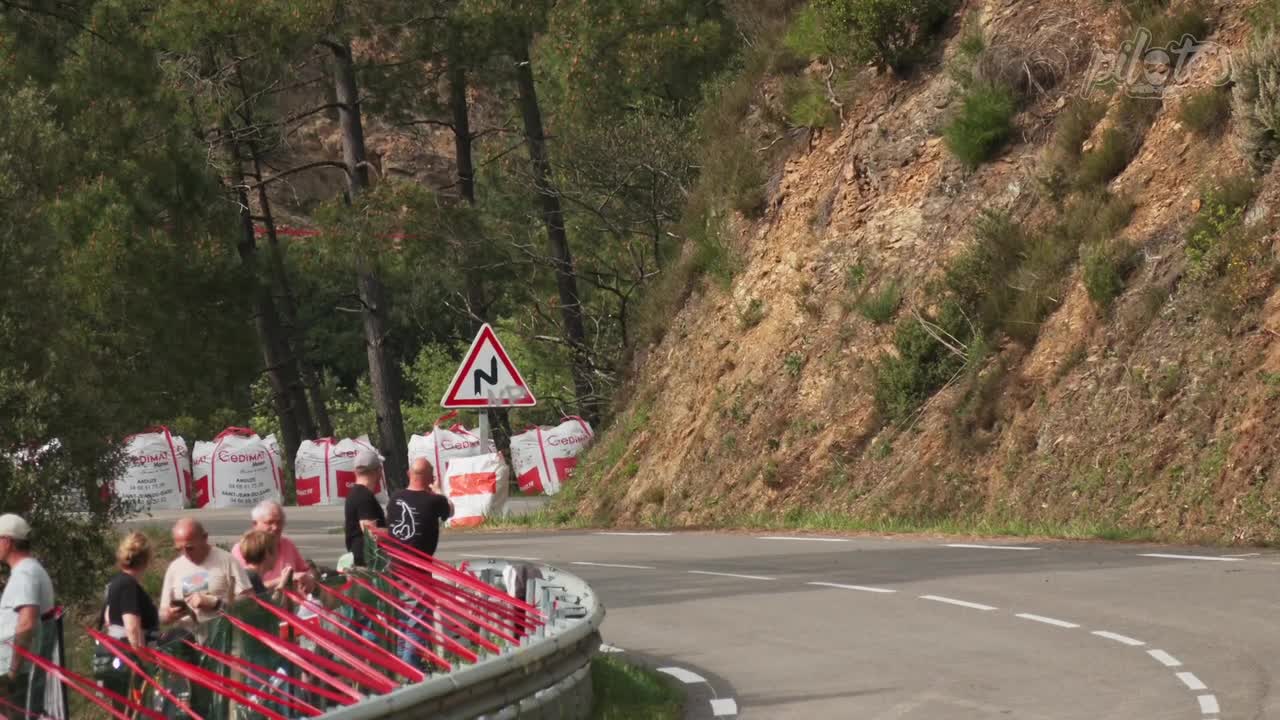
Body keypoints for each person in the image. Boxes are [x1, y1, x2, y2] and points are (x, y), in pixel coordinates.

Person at [385, 458, 453, 670]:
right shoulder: (434, 501)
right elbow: (450, 510)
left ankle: (402, 666)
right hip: (419, 569)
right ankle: (410, 670)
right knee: (418, 621)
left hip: (395, 566)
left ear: (409, 474)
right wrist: (439, 490)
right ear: (430, 477)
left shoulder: (394, 498)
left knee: (403, 620)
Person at [0, 514, 55, 719]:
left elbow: (26, 624)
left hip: (19, 673)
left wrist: (13, 671)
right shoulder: (26, 571)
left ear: (7, 541)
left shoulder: (25, 574)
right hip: (18, 670)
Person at [97, 532, 158, 703]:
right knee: (133, 708)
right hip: (129, 658)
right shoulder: (128, 585)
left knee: (122, 707)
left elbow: (109, 618)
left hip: (118, 655)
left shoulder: (115, 582)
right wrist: (146, 661)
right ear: (146, 559)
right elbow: (132, 628)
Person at [159, 518, 252, 630]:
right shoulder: (174, 568)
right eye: (179, 549)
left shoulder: (227, 561)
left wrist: (216, 603)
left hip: (222, 634)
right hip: (189, 635)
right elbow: (163, 614)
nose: (185, 553)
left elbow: (250, 603)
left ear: (204, 538)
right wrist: (168, 616)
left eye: (190, 548)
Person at [232, 501, 311, 591]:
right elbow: (246, 588)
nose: (275, 527)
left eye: (279, 522)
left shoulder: (288, 544)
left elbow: (305, 570)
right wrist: (281, 581)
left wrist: (309, 577)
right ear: (255, 524)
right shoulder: (242, 548)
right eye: (269, 522)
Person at [343, 448, 386, 568]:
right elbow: (371, 534)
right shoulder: (364, 497)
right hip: (367, 563)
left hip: (360, 559)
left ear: (355, 472)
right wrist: (395, 531)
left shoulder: (356, 494)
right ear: (378, 471)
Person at [237, 530, 284, 598]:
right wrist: (283, 583)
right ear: (267, 554)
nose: (277, 556)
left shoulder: (245, 575)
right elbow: (266, 604)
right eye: (276, 551)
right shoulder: (252, 578)